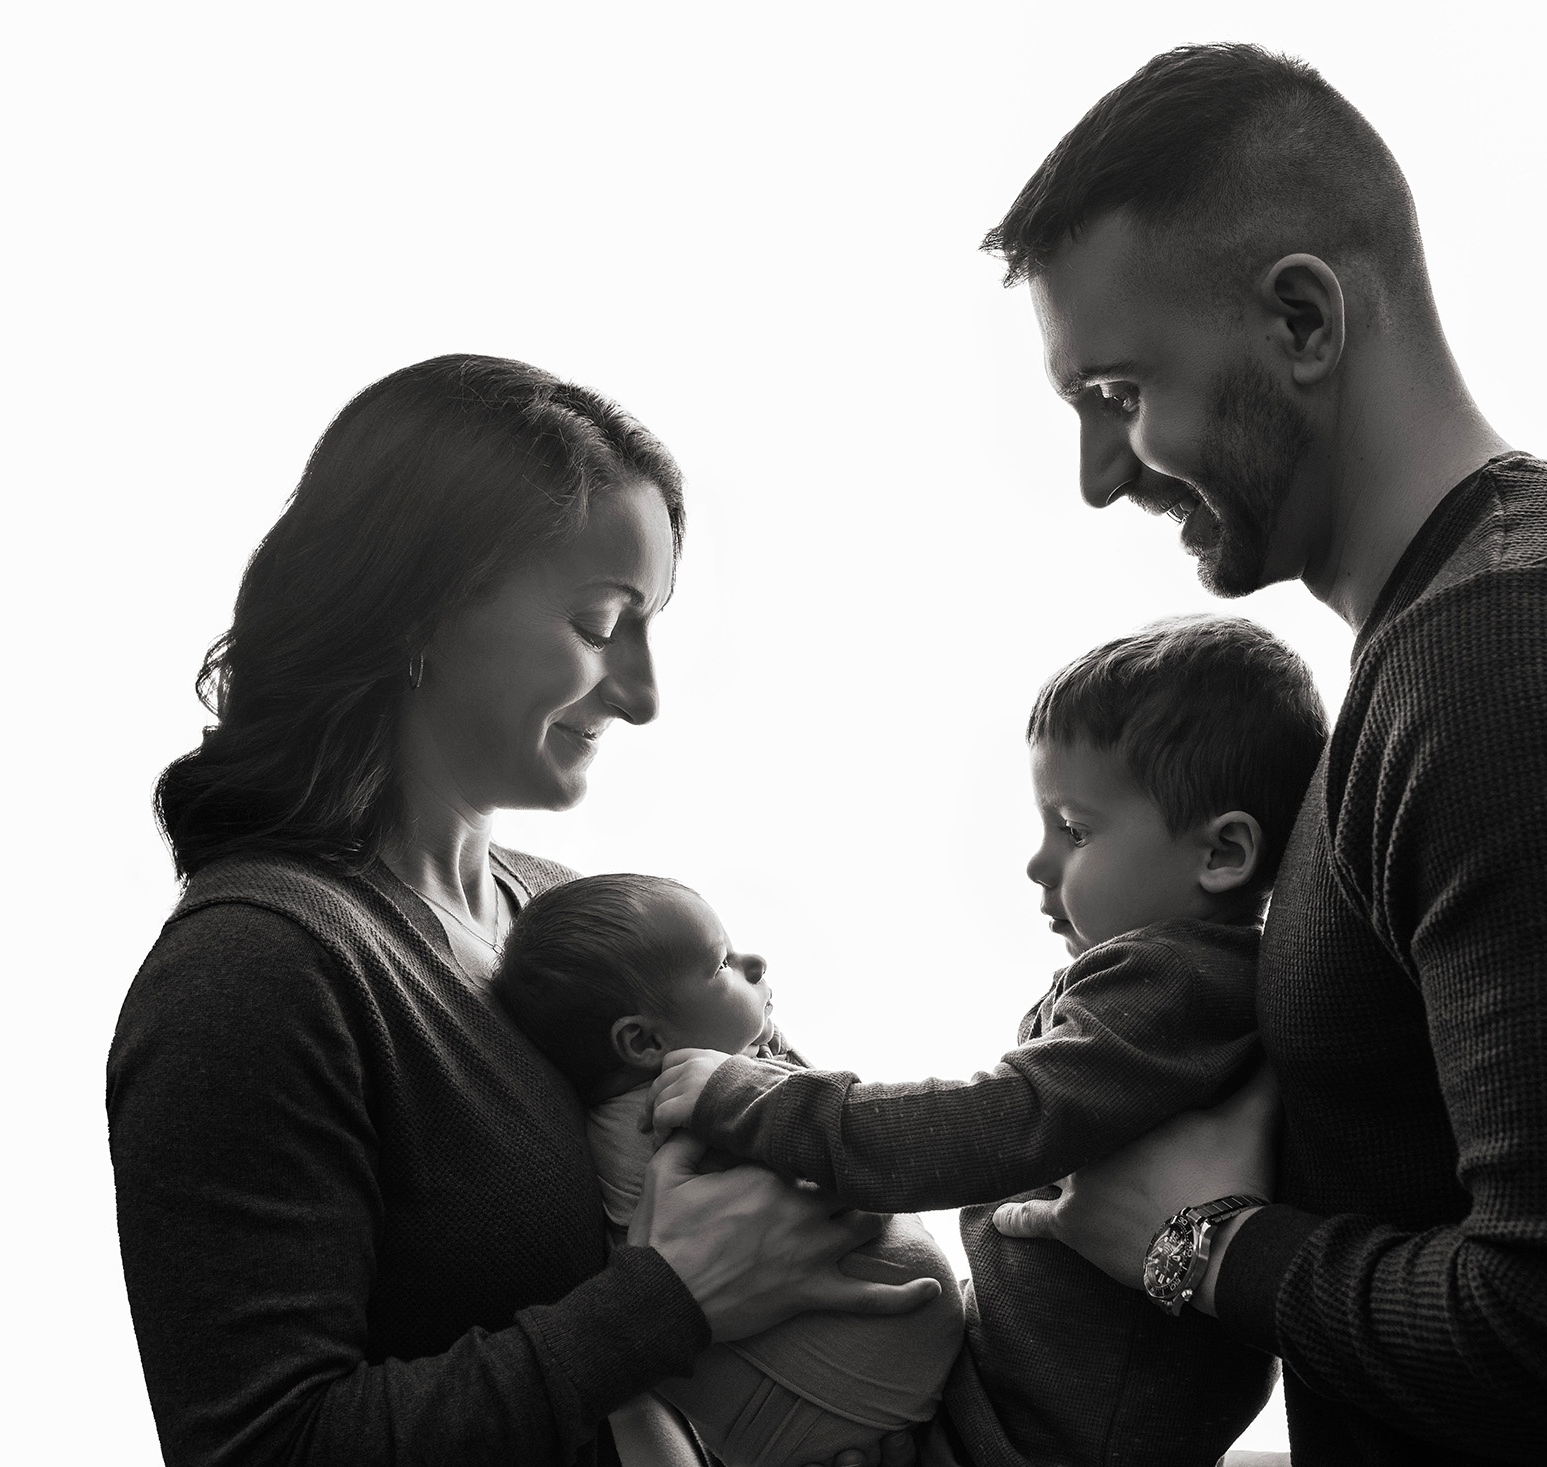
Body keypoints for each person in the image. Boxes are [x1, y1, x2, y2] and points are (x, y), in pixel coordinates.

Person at [977, 44, 1547, 1467]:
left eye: (1118, 390)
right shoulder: (1482, 636)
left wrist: (1194, 1242)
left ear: (1302, 320)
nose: (1102, 472)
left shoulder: (1516, 662)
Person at [106, 354, 938, 1467]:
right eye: (602, 624)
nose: (642, 696)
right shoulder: (256, 973)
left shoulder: (559, 912)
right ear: (418, 610)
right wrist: (665, 1302)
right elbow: (264, 1449)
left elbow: (801, 1142)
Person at [649, 616, 1329, 1467]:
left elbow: (999, 1123)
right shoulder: (1177, 983)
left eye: (1075, 830)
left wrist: (756, 1101)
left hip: (1045, 1438)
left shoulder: (1175, 981)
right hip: (1025, 1399)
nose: (1039, 863)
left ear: (1223, 852)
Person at [492, 873, 967, 1467]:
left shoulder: (677, 1094)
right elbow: (859, 1142)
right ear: (642, 1042)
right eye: (722, 964)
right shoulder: (667, 1116)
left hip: (874, 1418)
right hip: (822, 1425)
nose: (756, 960)